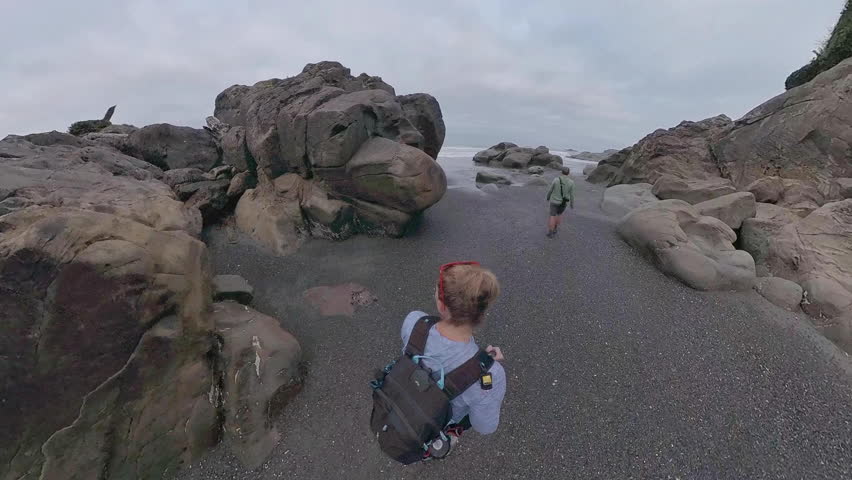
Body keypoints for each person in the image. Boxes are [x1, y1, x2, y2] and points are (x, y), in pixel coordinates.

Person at [400, 261, 507, 439]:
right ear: (481, 312)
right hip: (433, 427)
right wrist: (486, 365)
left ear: (442, 306)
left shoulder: (414, 322)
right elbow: (485, 427)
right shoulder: (492, 375)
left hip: (402, 397)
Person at [546, 166, 575, 238]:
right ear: (568, 173)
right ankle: (555, 228)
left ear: (561, 172)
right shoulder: (571, 182)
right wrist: (572, 204)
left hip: (554, 201)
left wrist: (548, 197)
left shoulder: (556, 180)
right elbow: (572, 195)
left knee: (552, 216)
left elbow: (550, 190)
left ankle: (550, 232)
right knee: (559, 215)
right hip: (563, 203)